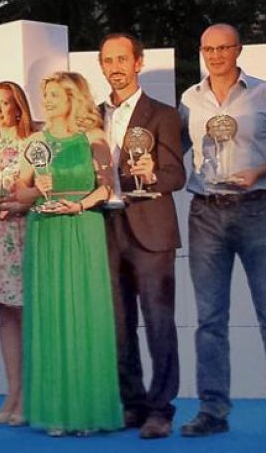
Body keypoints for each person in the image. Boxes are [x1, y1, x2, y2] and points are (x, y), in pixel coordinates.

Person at [178, 24, 266, 444]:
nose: (215, 55)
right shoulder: (189, 100)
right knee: (210, 321)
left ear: (238, 50)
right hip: (205, 213)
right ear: (201, 52)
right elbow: (169, 147)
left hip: (255, 211)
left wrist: (260, 171)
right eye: (208, 48)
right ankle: (212, 410)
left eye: (223, 48)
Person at [14, 72, 121, 436]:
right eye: (46, 94)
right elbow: (20, 191)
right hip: (45, 232)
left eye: (56, 93)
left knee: (84, 313)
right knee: (51, 315)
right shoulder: (35, 140)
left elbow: (107, 188)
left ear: (75, 96)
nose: (49, 100)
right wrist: (35, 189)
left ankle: (87, 411)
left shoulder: (94, 137)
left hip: (82, 228)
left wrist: (79, 206)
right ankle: (55, 410)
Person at [95, 33, 186, 439]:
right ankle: (131, 404)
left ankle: (161, 409)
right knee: (117, 325)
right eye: (107, 60)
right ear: (100, 66)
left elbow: (177, 175)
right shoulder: (91, 117)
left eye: (121, 59)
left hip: (150, 230)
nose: (115, 67)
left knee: (158, 323)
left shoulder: (162, 114)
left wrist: (152, 173)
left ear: (138, 63)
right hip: (103, 228)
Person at [0, 80, 35, 427]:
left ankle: (29, 393)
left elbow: (40, 192)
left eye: (5, 103)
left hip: (24, 234)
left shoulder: (33, 144)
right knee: (5, 316)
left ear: (19, 107)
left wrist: (17, 204)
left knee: (26, 314)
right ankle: (13, 391)